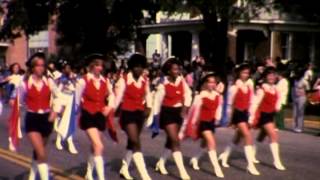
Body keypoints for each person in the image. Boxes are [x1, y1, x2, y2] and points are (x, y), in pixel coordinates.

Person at [11, 52, 58, 180]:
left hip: (47, 119)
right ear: (32, 67)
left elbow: (60, 97)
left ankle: (32, 176)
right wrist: (14, 103)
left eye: (43, 65)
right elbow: (17, 100)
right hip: (32, 119)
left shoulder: (49, 81)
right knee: (41, 154)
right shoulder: (24, 82)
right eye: (37, 65)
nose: (40, 68)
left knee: (39, 152)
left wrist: (55, 111)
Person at [76, 54, 115, 180]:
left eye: (101, 65)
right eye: (97, 65)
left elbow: (112, 96)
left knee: (95, 146)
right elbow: (77, 100)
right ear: (91, 66)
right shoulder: (83, 81)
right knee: (99, 146)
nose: (100, 68)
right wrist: (80, 112)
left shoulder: (105, 81)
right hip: (88, 115)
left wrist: (109, 107)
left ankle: (89, 173)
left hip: (100, 116)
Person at [152, 58, 191, 180]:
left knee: (170, 141)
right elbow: (157, 102)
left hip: (178, 113)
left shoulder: (181, 80)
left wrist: (185, 108)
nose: (177, 71)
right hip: (167, 113)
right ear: (168, 71)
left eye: (178, 69)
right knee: (175, 140)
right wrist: (155, 120)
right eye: (174, 69)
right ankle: (182, 172)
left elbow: (188, 94)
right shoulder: (163, 83)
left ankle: (161, 163)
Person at [115, 54, 152, 180]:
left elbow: (148, 95)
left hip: (139, 114)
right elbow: (118, 98)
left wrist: (149, 108)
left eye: (141, 67)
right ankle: (145, 175)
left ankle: (124, 169)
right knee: (136, 142)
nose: (139, 69)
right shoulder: (123, 80)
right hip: (127, 114)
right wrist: (111, 112)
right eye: (136, 67)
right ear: (131, 67)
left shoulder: (145, 80)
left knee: (132, 142)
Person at [218, 64, 260, 175]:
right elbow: (229, 104)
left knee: (237, 137)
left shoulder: (250, 86)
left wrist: (251, 116)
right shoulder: (233, 87)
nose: (245, 75)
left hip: (245, 113)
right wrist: (229, 119)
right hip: (237, 113)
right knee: (247, 136)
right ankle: (250, 165)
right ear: (238, 73)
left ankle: (224, 156)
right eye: (243, 72)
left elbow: (252, 101)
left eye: (247, 73)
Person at [181, 73, 224, 178]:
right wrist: (189, 125)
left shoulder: (218, 96)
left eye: (214, 82)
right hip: (202, 123)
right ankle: (216, 168)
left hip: (211, 122)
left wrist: (218, 118)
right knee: (211, 142)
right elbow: (192, 112)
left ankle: (194, 159)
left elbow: (219, 108)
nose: (212, 84)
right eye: (209, 82)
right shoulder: (200, 96)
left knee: (205, 143)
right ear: (205, 83)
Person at [249, 67, 286, 171]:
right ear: (265, 76)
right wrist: (251, 117)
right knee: (273, 135)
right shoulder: (262, 89)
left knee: (261, 136)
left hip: (270, 115)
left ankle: (251, 155)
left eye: (273, 75)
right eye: (269, 75)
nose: (272, 77)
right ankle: (277, 161)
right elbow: (256, 103)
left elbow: (279, 98)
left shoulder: (275, 88)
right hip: (263, 115)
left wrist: (278, 106)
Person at [53, 62, 78, 154]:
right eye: (66, 68)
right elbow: (57, 91)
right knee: (63, 120)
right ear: (63, 70)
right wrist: (59, 104)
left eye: (69, 68)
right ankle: (59, 140)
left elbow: (76, 88)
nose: (68, 70)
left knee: (69, 122)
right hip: (62, 99)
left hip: (71, 100)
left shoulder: (74, 77)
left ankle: (68, 141)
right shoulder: (61, 78)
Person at [292, 67, 309, 133]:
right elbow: (293, 89)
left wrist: (306, 96)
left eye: (297, 74)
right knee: (295, 113)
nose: (296, 75)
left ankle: (300, 127)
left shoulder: (304, 81)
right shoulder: (295, 80)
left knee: (300, 113)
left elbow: (308, 89)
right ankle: (295, 126)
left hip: (302, 98)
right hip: (295, 97)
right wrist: (293, 97)